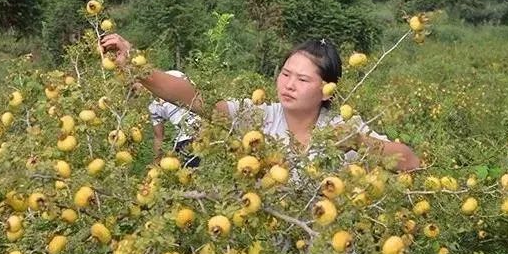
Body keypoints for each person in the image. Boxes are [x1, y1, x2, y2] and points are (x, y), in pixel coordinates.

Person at [99, 34, 420, 172]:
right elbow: (193, 98)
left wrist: (360, 143)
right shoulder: (259, 118)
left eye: (303, 79)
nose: (289, 84)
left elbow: (410, 162)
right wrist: (135, 67)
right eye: (285, 73)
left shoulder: (343, 128)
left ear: (327, 88)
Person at [147, 70, 201, 167]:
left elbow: (198, 95)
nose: (136, 93)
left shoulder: (173, 76)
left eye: (134, 88)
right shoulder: (153, 106)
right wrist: (156, 163)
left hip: (203, 128)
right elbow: (158, 137)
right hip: (184, 140)